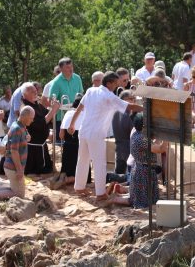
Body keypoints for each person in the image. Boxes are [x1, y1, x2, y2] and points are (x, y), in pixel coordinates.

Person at [69, 71, 141, 201]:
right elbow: (129, 106)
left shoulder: (91, 90)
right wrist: (145, 108)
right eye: (115, 83)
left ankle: (79, 187)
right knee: (99, 163)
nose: (116, 86)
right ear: (109, 83)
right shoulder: (109, 96)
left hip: (84, 131)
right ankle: (100, 192)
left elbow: (80, 107)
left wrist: (72, 124)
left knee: (83, 160)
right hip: (96, 134)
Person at [129, 115, 169, 208]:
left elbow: (152, 145)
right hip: (143, 173)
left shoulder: (137, 134)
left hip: (142, 170)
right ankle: (114, 199)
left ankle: (115, 199)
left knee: (141, 201)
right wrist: (167, 136)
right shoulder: (142, 139)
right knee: (143, 204)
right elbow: (160, 149)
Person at [20, 84, 57, 175]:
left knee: (46, 169)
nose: (36, 93)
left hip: (41, 145)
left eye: (36, 91)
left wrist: (52, 107)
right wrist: (54, 110)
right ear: (25, 95)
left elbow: (48, 116)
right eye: (32, 92)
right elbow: (40, 124)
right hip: (32, 147)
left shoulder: (37, 104)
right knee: (35, 171)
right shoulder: (26, 108)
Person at [55, 94, 89, 189]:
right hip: (80, 146)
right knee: (86, 177)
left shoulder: (68, 113)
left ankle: (64, 177)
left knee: (67, 168)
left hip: (68, 147)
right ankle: (67, 180)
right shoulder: (86, 114)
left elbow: (61, 135)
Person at [4, 106, 35, 198]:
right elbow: (14, 151)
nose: (32, 120)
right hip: (13, 167)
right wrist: (19, 169)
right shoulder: (17, 128)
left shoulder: (21, 125)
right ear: (24, 116)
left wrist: (27, 137)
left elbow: (25, 136)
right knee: (18, 195)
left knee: (16, 191)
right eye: (31, 118)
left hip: (13, 166)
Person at [48, 57, 84, 124]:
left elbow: (81, 94)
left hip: (76, 115)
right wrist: (55, 103)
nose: (71, 69)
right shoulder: (56, 82)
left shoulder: (77, 78)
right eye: (67, 67)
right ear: (61, 69)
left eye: (71, 66)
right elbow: (51, 100)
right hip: (61, 117)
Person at [112, 90, 135, 175]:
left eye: (134, 98)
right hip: (128, 148)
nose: (133, 101)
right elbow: (132, 131)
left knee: (119, 173)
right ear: (123, 99)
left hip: (119, 147)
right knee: (128, 176)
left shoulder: (116, 112)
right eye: (131, 98)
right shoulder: (127, 114)